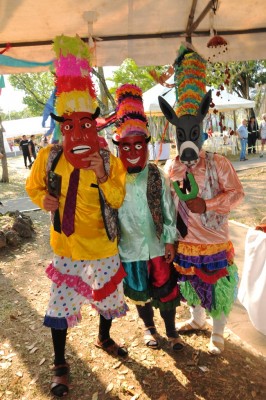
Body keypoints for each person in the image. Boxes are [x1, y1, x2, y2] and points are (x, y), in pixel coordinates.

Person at [26, 35, 128, 398]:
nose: (78, 133)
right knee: (60, 305)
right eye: (70, 126)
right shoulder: (49, 157)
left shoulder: (109, 160)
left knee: (106, 299)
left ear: (95, 125)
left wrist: (102, 174)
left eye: (86, 124)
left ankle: (103, 338)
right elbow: (32, 187)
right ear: (62, 127)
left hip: (102, 245)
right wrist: (44, 200)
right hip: (67, 247)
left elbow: (117, 198)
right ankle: (59, 363)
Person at [159, 44, 244, 355]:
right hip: (185, 242)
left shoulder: (219, 163)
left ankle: (218, 331)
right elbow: (167, 201)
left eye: (192, 132)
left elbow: (237, 194)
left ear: (202, 130)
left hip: (214, 241)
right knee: (190, 285)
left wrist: (206, 204)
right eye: (181, 134)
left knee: (216, 285)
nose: (187, 141)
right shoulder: (173, 165)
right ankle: (197, 320)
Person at [113, 84, 183, 352]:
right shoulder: (113, 178)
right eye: (126, 145)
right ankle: (148, 328)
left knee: (165, 289)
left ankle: (172, 330)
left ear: (145, 145)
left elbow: (168, 212)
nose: (132, 150)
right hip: (129, 249)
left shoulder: (156, 175)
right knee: (140, 293)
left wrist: (169, 242)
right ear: (119, 147)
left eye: (138, 144)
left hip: (156, 247)